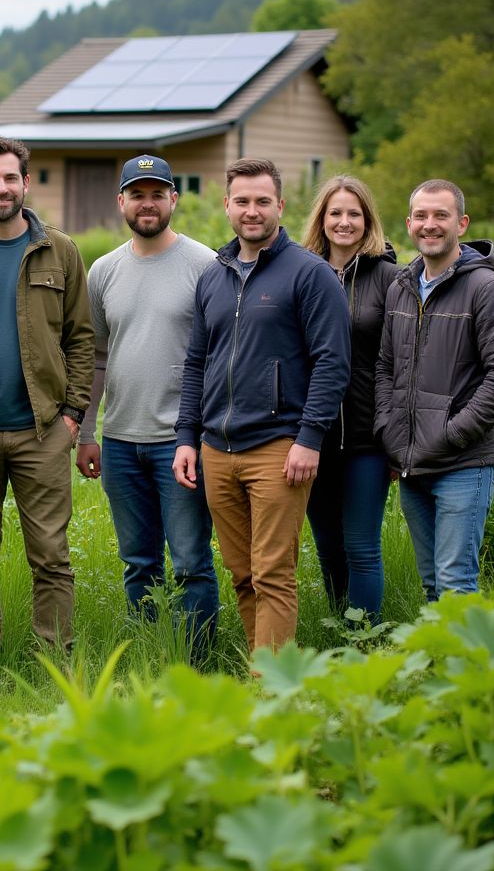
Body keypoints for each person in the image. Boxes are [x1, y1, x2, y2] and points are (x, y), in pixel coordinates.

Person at [173, 158, 350, 652]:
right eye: (243, 201)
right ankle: (263, 677)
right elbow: (195, 364)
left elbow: (332, 363)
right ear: (227, 205)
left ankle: (272, 689)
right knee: (242, 573)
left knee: (273, 572)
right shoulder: (214, 275)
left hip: (279, 447)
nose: (253, 211)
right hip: (216, 449)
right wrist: (187, 438)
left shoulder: (310, 274)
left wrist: (309, 438)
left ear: (281, 205)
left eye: (262, 201)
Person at [0, 136, 94, 651]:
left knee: (51, 555)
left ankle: (55, 660)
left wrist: (73, 413)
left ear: (26, 183)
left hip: (43, 429)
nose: (1, 188)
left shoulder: (61, 250)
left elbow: (80, 336)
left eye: (10, 178)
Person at [76, 154, 219, 650]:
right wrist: (89, 431)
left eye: (158, 193)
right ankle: (148, 652)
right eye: (138, 194)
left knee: (189, 562)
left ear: (174, 199)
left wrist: (201, 435)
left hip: (180, 444)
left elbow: (219, 356)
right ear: (122, 202)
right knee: (138, 562)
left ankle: (196, 659)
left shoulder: (205, 265)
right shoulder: (103, 271)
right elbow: (95, 357)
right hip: (119, 442)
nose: (148, 203)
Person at [374, 179, 494, 602]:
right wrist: (388, 427)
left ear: (461, 222)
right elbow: (385, 365)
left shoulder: (486, 289)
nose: (430, 225)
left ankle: (468, 670)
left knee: (455, 583)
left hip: (463, 464)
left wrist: (452, 434)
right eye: (421, 216)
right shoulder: (400, 286)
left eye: (440, 215)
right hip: (410, 462)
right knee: (433, 584)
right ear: (408, 223)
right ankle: (443, 667)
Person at [300, 175, 397, 619]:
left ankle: (367, 640)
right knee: (328, 545)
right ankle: (343, 629)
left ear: (367, 220)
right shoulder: (301, 272)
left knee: (361, 545)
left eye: (353, 214)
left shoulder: (391, 279)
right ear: (321, 218)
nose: (344, 222)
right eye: (334, 213)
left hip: (367, 437)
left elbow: (402, 363)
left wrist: (396, 435)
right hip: (311, 436)